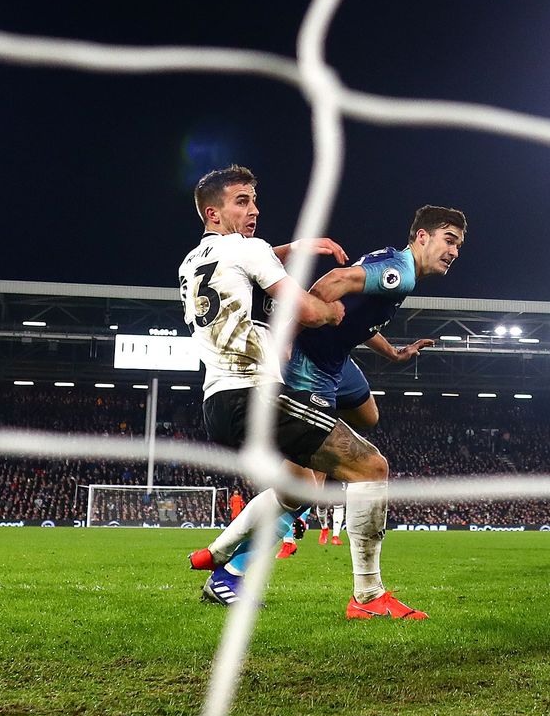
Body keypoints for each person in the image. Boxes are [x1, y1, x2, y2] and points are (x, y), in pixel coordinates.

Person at [180, 166, 425, 620]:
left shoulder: (192, 263)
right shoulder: (248, 250)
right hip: (257, 396)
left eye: (254, 200)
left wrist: (293, 249)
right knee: (370, 467)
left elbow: (244, 260)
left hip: (217, 402)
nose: (253, 210)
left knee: (297, 490)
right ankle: (368, 597)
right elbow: (307, 308)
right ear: (213, 212)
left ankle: (220, 560)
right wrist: (335, 314)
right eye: (241, 202)